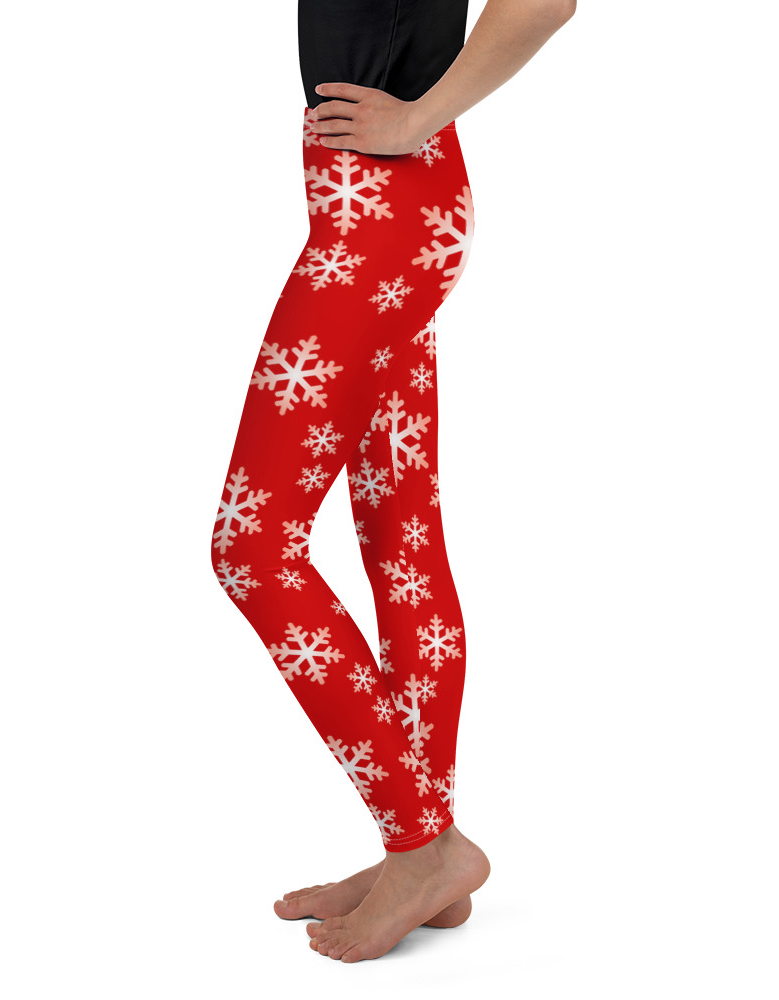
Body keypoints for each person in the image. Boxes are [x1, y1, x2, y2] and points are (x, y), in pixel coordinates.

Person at [212, 0, 577, 963]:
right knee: (399, 537)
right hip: (385, 205)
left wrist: (417, 115)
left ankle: (425, 847)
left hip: (381, 222)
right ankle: (419, 853)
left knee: (253, 548)